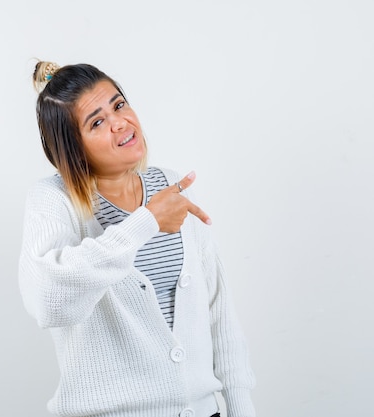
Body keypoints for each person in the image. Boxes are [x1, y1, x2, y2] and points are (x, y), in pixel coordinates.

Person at [18, 60, 256, 417]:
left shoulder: (171, 184)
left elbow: (219, 315)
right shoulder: (54, 200)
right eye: (96, 122)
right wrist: (146, 222)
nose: (120, 123)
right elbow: (49, 301)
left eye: (119, 104)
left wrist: (242, 408)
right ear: (73, 147)